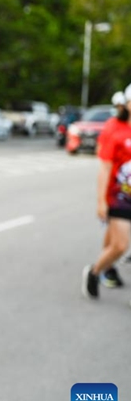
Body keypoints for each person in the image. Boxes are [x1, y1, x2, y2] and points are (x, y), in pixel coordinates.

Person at [84, 88, 131, 298]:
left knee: (114, 242)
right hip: (120, 197)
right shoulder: (115, 129)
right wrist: (101, 201)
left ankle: (106, 268)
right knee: (120, 246)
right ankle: (95, 271)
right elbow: (105, 167)